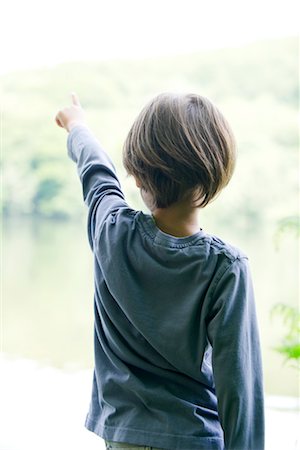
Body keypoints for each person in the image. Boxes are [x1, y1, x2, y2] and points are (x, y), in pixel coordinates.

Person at [55, 92, 265, 450]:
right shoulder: (225, 267)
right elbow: (239, 391)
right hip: (194, 438)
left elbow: (95, 171)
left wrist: (77, 126)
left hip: (124, 437)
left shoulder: (111, 231)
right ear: (216, 174)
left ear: (136, 176)